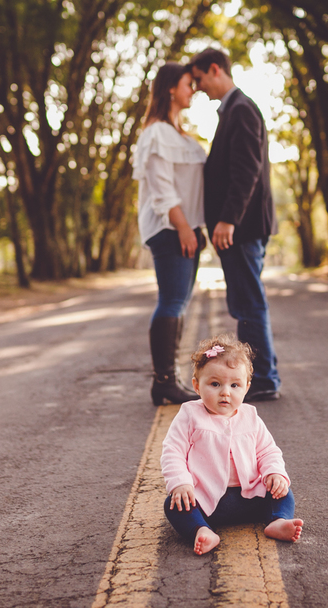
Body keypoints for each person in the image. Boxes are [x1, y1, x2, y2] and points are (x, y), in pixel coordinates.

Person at [185, 48, 281, 401]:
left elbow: (246, 171)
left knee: (249, 303)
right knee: (244, 302)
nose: (197, 88)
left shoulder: (241, 109)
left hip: (242, 228)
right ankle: (264, 378)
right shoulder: (232, 110)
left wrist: (227, 220)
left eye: (199, 79)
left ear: (215, 70)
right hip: (239, 228)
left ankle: (265, 379)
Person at [161, 333, 304, 555]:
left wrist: (273, 473)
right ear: (197, 386)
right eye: (215, 384)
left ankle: (278, 521)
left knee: (282, 490)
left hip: (249, 497)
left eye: (235, 385)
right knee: (174, 504)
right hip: (206, 499)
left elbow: (267, 451)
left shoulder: (250, 416)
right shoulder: (190, 415)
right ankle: (201, 530)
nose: (225, 392)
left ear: (246, 387)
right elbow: (173, 452)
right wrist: (181, 483)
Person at [132, 62, 208, 405]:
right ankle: (163, 381)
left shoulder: (180, 135)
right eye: (187, 84)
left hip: (186, 228)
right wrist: (183, 227)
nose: (193, 89)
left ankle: (167, 379)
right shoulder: (157, 133)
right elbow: (162, 191)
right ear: (169, 89)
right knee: (172, 302)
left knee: (179, 303)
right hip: (170, 229)